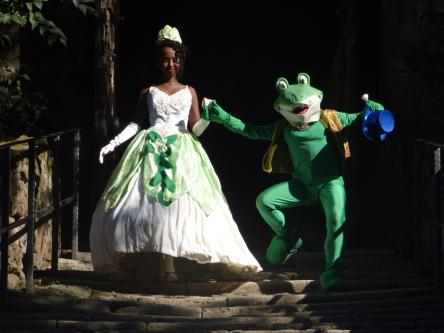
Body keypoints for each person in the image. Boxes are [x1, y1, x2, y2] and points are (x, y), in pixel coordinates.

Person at [89, 25, 262, 282]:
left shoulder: (189, 91)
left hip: (182, 150)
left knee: (184, 207)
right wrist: (113, 142)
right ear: (159, 62)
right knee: (146, 205)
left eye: (175, 59)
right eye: (165, 59)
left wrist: (213, 117)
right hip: (150, 148)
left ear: (180, 61)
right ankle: (161, 265)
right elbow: (137, 124)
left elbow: (197, 129)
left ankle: (179, 266)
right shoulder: (148, 92)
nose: (170, 64)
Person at [202, 73, 394, 292]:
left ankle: (332, 270)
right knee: (264, 201)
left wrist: (374, 110)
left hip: (330, 183)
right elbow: (250, 130)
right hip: (301, 186)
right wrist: (223, 116)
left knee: (335, 222)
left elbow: (361, 118)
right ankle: (288, 237)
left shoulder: (329, 118)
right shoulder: (283, 129)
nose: (300, 108)